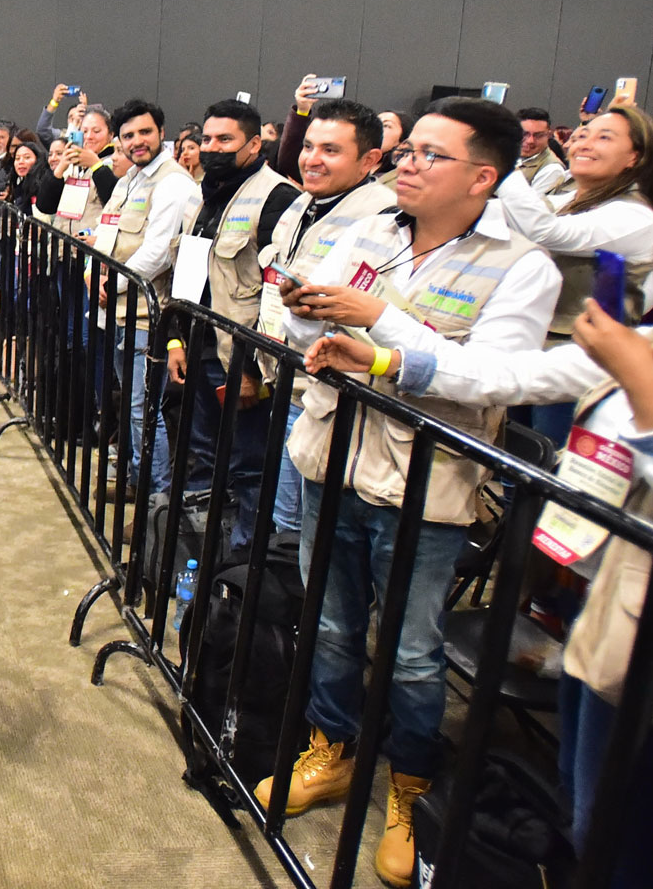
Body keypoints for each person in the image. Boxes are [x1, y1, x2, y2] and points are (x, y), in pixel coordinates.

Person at [258, 97, 562, 889]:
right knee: (329, 619)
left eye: (431, 154)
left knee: (415, 652)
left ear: (483, 177)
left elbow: (494, 377)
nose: (409, 163)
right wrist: (305, 316)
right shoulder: (372, 233)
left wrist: (380, 325)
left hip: (426, 484)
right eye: (410, 151)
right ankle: (334, 747)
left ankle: (412, 784)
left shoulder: (522, 264)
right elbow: (317, 330)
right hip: (333, 453)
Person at [301, 299, 651, 888]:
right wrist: (384, 357)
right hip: (609, 602)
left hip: (631, 616)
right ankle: (338, 750)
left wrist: (640, 381)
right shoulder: (640, 337)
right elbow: (506, 375)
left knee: (615, 823)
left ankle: (411, 787)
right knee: (586, 801)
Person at [256, 98, 395, 534]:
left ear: (369, 160)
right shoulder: (303, 203)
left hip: (330, 397)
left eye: (330, 150)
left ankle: (289, 600)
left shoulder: (383, 218)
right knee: (285, 518)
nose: (312, 159)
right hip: (286, 378)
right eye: (309, 146)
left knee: (297, 526)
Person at [166, 98, 298, 553]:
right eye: (207, 139)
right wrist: (175, 339)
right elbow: (185, 273)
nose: (212, 148)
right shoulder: (203, 193)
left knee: (248, 464)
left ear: (254, 144)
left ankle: (244, 558)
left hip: (240, 359)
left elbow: (276, 294)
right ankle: (205, 543)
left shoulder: (278, 198)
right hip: (199, 346)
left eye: (225, 140)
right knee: (204, 450)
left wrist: (251, 368)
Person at [495, 103, 653, 444]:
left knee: (552, 462)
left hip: (585, 360)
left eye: (604, 138)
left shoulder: (635, 215)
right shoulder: (566, 197)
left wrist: (502, 166)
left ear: (634, 157)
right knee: (517, 456)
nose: (585, 143)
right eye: (582, 135)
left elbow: (549, 232)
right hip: (534, 345)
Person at [96, 98, 199, 519]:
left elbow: (158, 252)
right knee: (132, 407)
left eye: (144, 132)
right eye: (128, 136)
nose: (137, 142)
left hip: (147, 314)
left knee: (144, 412)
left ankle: (153, 510)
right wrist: (93, 270)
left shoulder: (173, 184)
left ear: (161, 132)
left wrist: (112, 281)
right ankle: (135, 484)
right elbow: (107, 229)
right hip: (118, 310)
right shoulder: (128, 180)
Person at [38, 105, 118, 234]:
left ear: (111, 134)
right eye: (84, 131)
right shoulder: (71, 164)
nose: (89, 136)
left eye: (96, 131)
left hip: (90, 247)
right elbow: (45, 206)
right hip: (61, 245)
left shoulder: (116, 162)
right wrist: (60, 168)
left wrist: (96, 165)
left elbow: (115, 203)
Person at [517, 107, 568, 195]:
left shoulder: (552, 169)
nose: (530, 140)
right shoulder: (506, 153)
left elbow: (529, 205)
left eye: (538, 135)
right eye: (524, 134)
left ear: (548, 135)